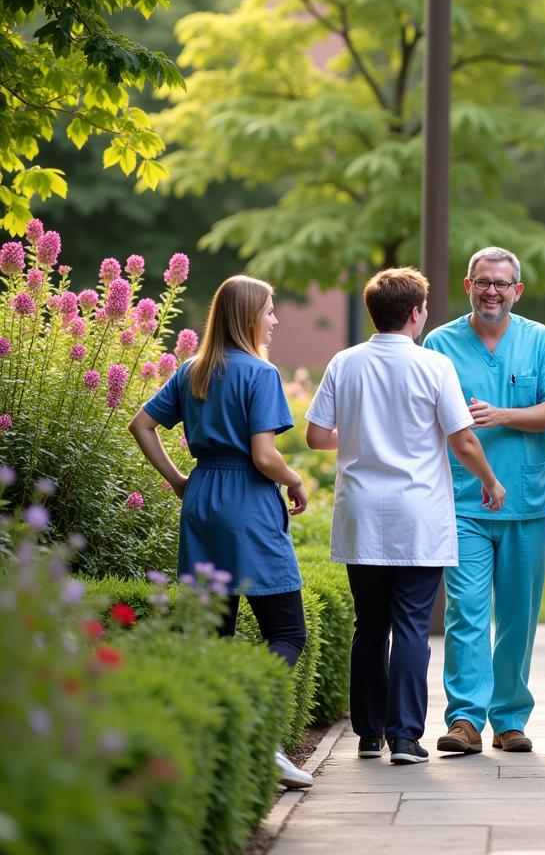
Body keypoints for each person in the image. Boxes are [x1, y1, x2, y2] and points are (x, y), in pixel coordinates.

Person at [304, 268, 506, 765]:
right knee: (413, 625)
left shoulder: (344, 363)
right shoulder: (433, 367)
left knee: (369, 626)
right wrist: (490, 480)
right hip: (417, 515)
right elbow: (461, 438)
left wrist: (357, 438)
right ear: (416, 314)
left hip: (361, 514)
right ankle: (405, 738)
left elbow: (315, 436)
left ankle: (369, 736)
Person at [129, 275, 314, 789]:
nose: (274, 320)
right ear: (248, 316)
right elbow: (263, 455)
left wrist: (177, 479)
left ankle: (211, 750)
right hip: (248, 504)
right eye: (270, 311)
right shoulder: (260, 373)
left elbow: (140, 424)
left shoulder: (192, 371)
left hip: (203, 497)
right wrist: (295, 478)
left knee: (213, 631)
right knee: (287, 631)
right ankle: (260, 735)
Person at [424, 246, 545, 755]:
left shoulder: (541, 340)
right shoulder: (440, 342)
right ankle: (464, 720)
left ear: (517, 290)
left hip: (528, 501)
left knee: (517, 615)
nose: (492, 291)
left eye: (501, 283)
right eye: (483, 282)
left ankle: (509, 718)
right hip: (462, 500)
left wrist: (503, 415)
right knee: (465, 612)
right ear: (468, 285)